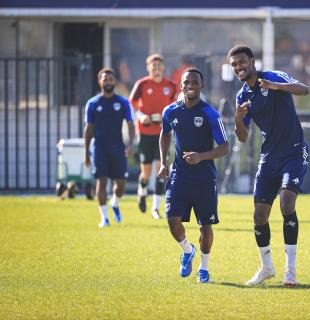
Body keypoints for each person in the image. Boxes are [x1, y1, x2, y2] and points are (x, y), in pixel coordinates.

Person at [228, 45, 309, 287]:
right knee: (259, 215)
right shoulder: (242, 96)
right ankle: (267, 268)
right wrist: (238, 120)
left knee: (286, 204)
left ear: (252, 61)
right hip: (269, 157)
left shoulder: (272, 76)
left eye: (241, 62)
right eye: (234, 65)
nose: (238, 67)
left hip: (294, 152)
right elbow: (242, 137)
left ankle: (290, 270)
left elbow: (304, 89)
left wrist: (278, 87)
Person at [158, 68, 229, 283]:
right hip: (179, 175)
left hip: (204, 179)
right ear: (181, 85)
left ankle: (204, 268)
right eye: (186, 82)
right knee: (171, 219)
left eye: (195, 82)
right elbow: (165, 133)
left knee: (205, 227)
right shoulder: (170, 111)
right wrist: (164, 162)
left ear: (201, 86)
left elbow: (225, 147)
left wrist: (201, 156)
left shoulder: (210, 114)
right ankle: (187, 250)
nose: (190, 85)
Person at [84, 68, 135, 228]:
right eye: (105, 79)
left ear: (114, 82)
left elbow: (131, 125)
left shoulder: (123, 102)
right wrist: (86, 152)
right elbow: (89, 129)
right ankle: (104, 218)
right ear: (100, 82)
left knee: (120, 184)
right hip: (99, 148)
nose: (108, 82)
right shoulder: (92, 103)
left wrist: (130, 144)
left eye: (111, 79)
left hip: (118, 147)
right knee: (102, 182)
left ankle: (115, 202)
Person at [129, 54, 176, 218]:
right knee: (146, 173)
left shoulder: (170, 86)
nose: (156, 69)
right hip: (144, 133)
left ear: (163, 68)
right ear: (148, 68)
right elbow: (132, 105)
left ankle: (155, 208)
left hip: (163, 134)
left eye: (158, 66)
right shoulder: (141, 84)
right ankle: (141, 192)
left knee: (161, 170)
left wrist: (167, 121)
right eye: (153, 66)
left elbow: (175, 106)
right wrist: (141, 116)